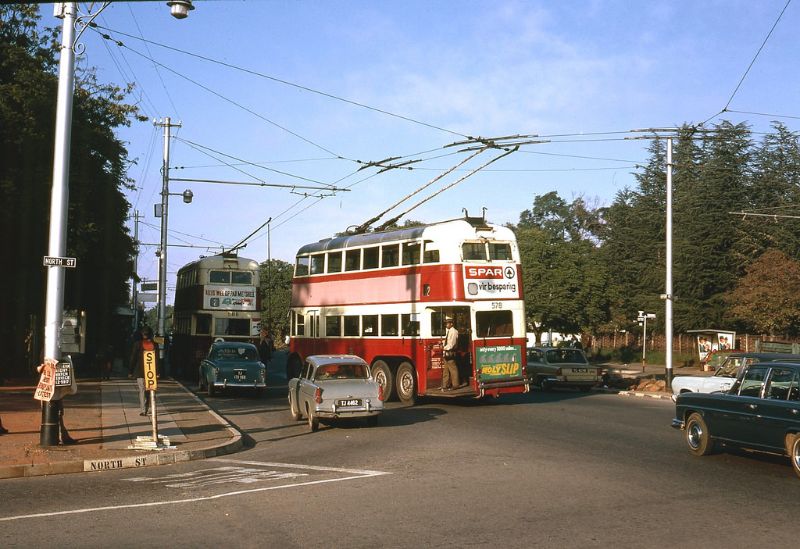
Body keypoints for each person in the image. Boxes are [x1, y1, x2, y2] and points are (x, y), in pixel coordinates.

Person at [129, 325, 159, 417]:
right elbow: (157, 359)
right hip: (151, 371)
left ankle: (143, 410)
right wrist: (157, 372)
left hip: (139, 371)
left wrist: (130, 371)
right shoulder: (155, 345)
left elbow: (133, 358)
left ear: (142, 334)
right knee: (148, 390)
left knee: (141, 390)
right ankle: (146, 408)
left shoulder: (137, 344)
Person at [441, 317, 460, 391]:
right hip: (447, 353)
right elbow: (447, 341)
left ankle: (455, 385)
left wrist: (444, 348)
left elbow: (452, 343)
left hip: (450, 352)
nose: (446, 325)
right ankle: (444, 385)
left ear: (451, 324)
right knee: (446, 370)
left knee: (453, 369)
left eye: (447, 323)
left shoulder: (454, 332)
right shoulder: (449, 331)